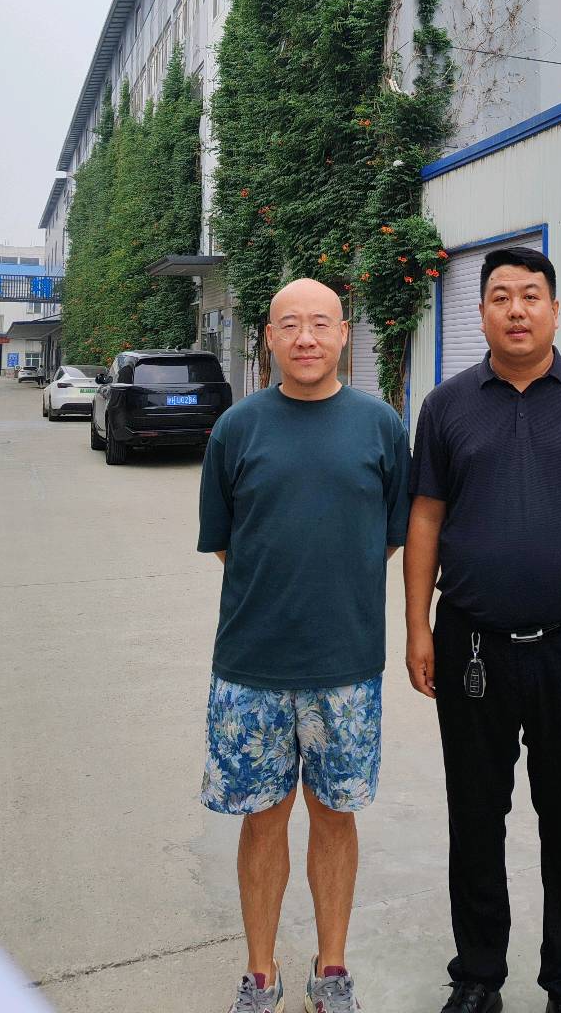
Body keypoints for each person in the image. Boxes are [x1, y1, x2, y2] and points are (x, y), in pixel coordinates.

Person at [405, 247, 561, 1013]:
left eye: (530, 296)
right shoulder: (447, 406)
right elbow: (425, 519)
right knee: (476, 817)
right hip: (471, 645)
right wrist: (417, 627)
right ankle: (478, 976)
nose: (516, 310)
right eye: (501, 297)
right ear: (481, 313)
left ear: (555, 310)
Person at [198, 278, 410, 1013]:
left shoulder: (380, 427)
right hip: (251, 665)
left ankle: (332, 970)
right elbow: (225, 542)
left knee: (334, 815)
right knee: (262, 819)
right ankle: (261, 975)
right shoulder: (236, 429)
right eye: (289, 324)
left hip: (345, 664)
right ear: (268, 337)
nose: (306, 337)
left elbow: (388, 536)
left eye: (321, 323)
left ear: (345, 334)